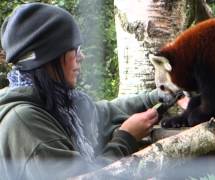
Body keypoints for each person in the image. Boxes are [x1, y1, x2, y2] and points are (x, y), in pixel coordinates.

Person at [0, 3, 179, 179]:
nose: (82, 57)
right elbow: (86, 177)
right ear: (50, 57)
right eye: (74, 49)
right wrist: (125, 139)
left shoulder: (55, 103)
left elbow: (103, 112)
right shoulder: (26, 123)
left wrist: (158, 96)